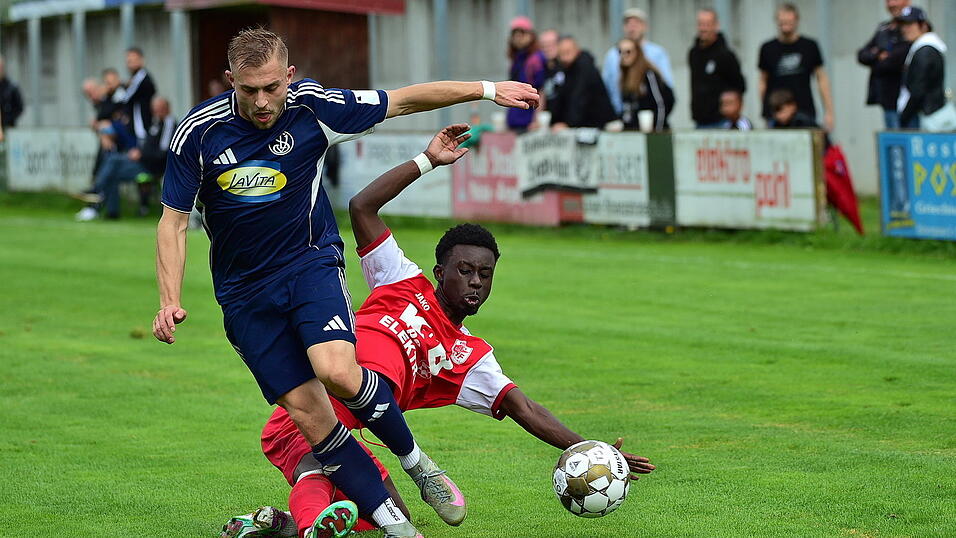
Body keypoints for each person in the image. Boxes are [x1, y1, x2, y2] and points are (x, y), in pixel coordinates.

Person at [152, 28, 538, 538]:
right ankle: (402, 532)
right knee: (315, 422)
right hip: (244, 295)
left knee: (335, 369)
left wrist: (487, 89)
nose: (263, 101)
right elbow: (173, 220)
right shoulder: (197, 134)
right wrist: (169, 300)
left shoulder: (314, 107)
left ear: (289, 76)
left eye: (272, 87)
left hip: (308, 263)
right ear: (230, 83)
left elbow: (404, 100)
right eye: (249, 91)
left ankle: (417, 462)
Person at [222, 124, 656, 538]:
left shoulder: (470, 357)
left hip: (352, 435)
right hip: (305, 411)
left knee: (392, 515)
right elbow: (361, 207)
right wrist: (427, 160)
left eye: (485, 275)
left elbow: (525, 408)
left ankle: (282, 523)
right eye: (464, 270)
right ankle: (311, 518)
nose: (475, 282)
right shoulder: (398, 278)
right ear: (439, 271)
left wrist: (591, 450)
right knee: (320, 464)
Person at [758, 3, 835, 131]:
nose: (785, 25)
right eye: (782, 22)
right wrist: (766, 112)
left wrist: (829, 112)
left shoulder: (810, 46)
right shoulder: (767, 48)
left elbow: (821, 79)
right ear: (777, 21)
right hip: (777, 114)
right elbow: (762, 81)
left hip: (804, 110)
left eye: (789, 21)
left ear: (796, 20)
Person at [602, 8, 674, 118]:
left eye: (636, 23)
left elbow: (665, 93)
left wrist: (657, 122)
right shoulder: (612, 55)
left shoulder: (657, 54)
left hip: (647, 118)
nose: (632, 28)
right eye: (628, 24)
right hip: (622, 116)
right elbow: (607, 88)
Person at [857, 0, 912, 128]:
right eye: (888, 1)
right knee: (893, 142)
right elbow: (862, 55)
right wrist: (877, 55)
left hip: (907, 100)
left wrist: (880, 58)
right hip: (887, 99)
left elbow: (896, 59)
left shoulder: (912, 25)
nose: (892, 4)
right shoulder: (884, 28)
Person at [897, 6, 952, 131]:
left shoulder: (925, 50)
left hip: (930, 115)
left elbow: (919, 88)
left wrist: (905, 115)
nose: (905, 29)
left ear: (924, 26)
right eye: (903, 25)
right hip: (930, 113)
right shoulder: (921, 48)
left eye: (910, 24)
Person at [688, 8, 746, 128]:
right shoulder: (693, 53)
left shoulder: (726, 55)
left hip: (722, 121)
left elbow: (740, 86)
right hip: (700, 121)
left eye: (707, 24)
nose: (703, 28)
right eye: (701, 24)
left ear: (716, 25)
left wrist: (729, 108)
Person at [550, 36, 616, 130]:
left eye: (568, 52)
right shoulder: (563, 69)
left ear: (577, 51)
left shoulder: (585, 67)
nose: (564, 57)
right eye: (561, 54)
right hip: (583, 124)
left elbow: (579, 98)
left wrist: (569, 124)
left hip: (597, 125)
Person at [617, 38, 674, 131]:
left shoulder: (648, 74)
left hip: (653, 131)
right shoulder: (623, 77)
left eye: (628, 51)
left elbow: (661, 105)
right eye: (620, 51)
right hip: (634, 133)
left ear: (637, 52)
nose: (624, 55)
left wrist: (657, 131)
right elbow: (627, 109)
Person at [506, 16, 547, 132]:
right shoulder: (517, 59)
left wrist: (537, 120)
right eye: (515, 34)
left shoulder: (536, 60)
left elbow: (541, 91)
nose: (518, 38)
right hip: (515, 120)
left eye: (522, 33)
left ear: (531, 36)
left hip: (529, 123)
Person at [122, 47, 156, 142]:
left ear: (142, 60)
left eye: (133, 60)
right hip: (137, 128)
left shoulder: (141, 77)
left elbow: (125, 98)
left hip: (142, 127)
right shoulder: (135, 79)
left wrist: (120, 86)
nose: (130, 64)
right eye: (128, 61)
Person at [0, 55, 24, 128]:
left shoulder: (12, 87)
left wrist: (7, 119)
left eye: (1, 67)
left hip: (8, 126)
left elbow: (19, 107)